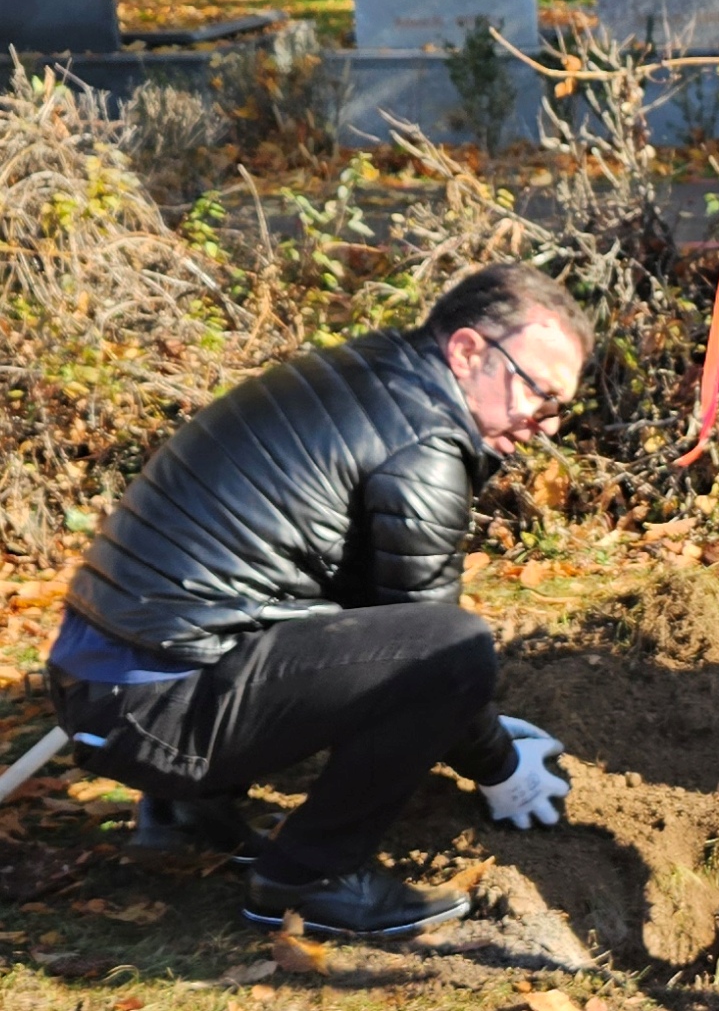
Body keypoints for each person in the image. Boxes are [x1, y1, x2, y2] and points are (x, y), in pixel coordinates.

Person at [47, 262, 593, 937]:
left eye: (559, 405)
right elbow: (431, 652)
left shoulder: (368, 377)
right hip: (152, 709)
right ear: (467, 350)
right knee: (458, 650)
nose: (546, 424)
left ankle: (185, 807)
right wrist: (503, 769)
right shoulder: (424, 444)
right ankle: (310, 876)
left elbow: (362, 620)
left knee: (359, 629)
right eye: (540, 392)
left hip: (99, 681)